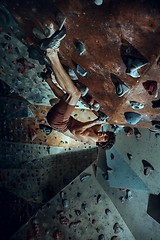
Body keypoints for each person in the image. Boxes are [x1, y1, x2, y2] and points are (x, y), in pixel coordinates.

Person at [40, 28, 116, 150]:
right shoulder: (96, 135)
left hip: (60, 122)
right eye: (107, 134)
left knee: (75, 94)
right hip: (57, 121)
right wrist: (104, 120)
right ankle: (48, 78)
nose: (104, 134)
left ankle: (51, 53)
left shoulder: (91, 139)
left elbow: (76, 131)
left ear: (101, 143)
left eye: (105, 138)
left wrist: (95, 122)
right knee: (66, 97)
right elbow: (99, 124)